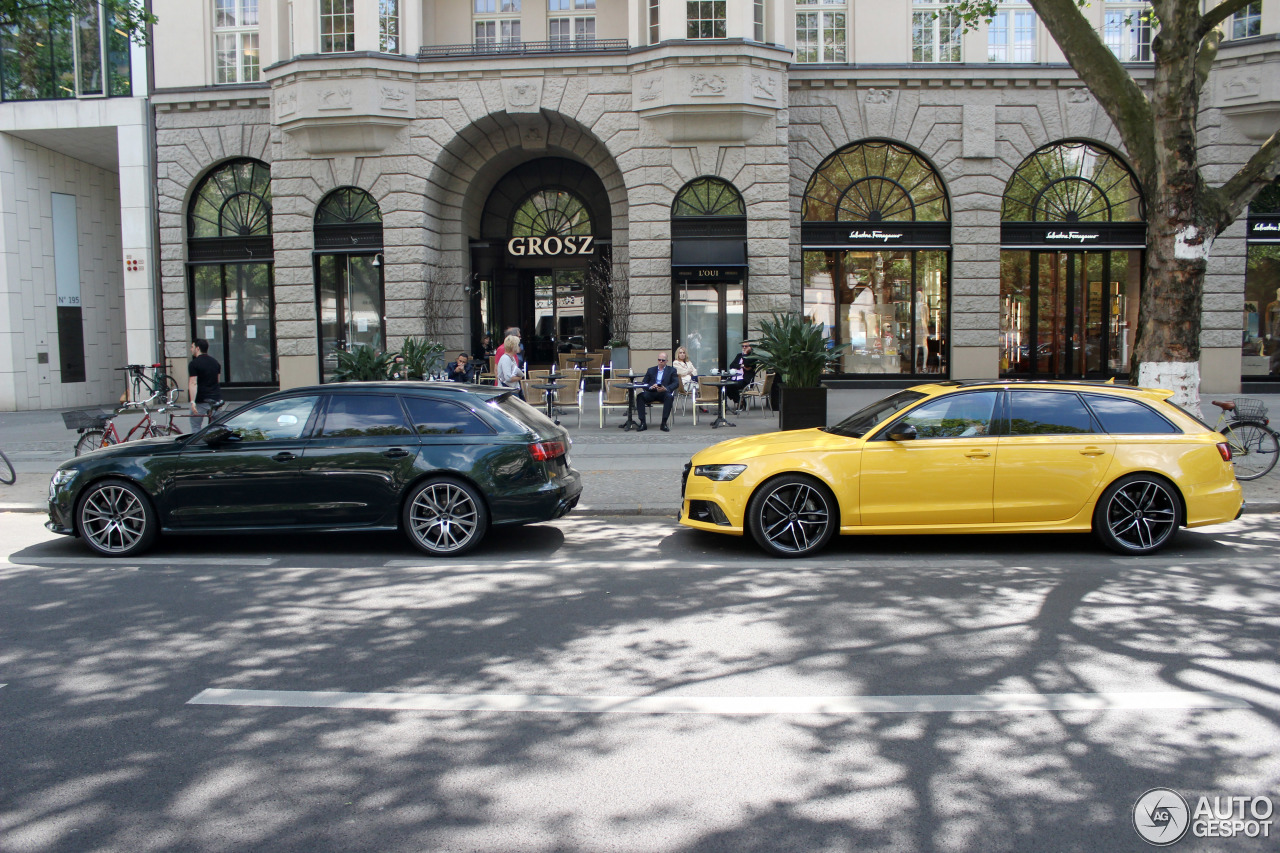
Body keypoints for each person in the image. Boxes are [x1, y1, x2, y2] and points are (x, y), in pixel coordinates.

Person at [636, 352, 679, 432]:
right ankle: (642, 423)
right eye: (659, 360)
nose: (661, 361)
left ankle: (663, 423)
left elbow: (676, 383)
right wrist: (650, 386)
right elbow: (644, 382)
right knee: (640, 396)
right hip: (652, 392)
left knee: (669, 397)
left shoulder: (672, 370)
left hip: (663, 392)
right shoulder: (651, 370)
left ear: (666, 361)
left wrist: (665, 388)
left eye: (663, 360)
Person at [187, 338, 222, 431]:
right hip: (215, 400)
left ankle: (197, 445)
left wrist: (192, 401)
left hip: (201, 400)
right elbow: (217, 381)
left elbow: (193, 382)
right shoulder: (215, 362)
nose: (191, 349)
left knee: (195, 425)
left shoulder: (194, 364)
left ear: (197, 348)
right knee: (215, 427)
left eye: (192, 347)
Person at [726, 341, 756, 412]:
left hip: (745, 379)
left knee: (732, 385)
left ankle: (739, 401)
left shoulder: (753, 356)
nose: (744, 347)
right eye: (743, 346)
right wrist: (741, 366)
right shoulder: (739, 355)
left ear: (750, 347)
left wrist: (745, 354)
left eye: (746, 346)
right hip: (734, 378)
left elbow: (747, 365)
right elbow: (731, 365)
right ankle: (739, 400)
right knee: (725, 385)